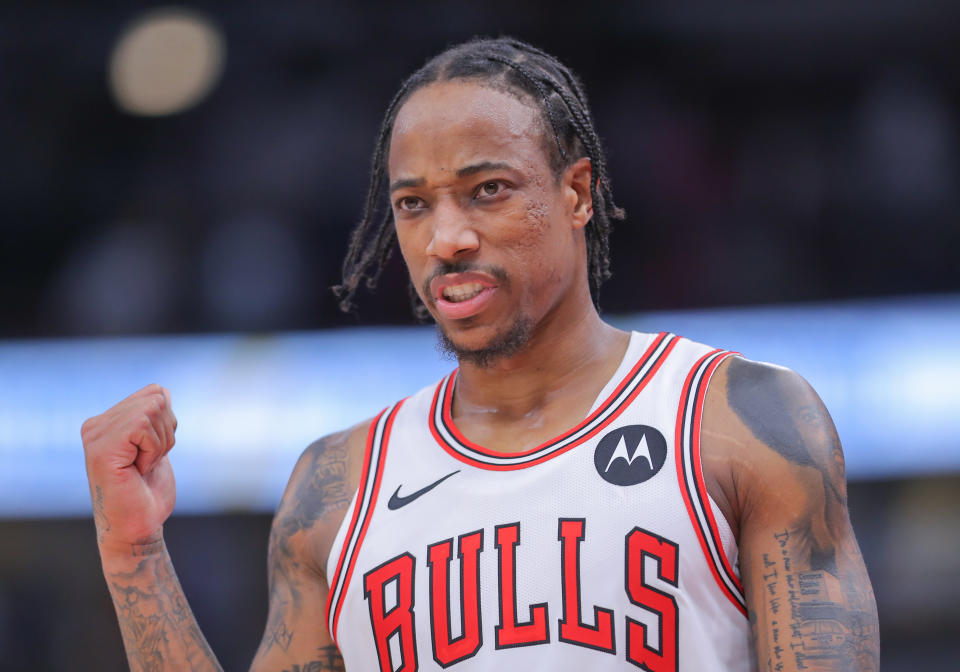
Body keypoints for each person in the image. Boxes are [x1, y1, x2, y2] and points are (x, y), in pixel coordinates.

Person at [81, 37, 879, 672]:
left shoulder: (738, 419)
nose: (447, 238)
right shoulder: (334, 487)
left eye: (487, 189)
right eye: (414, 205)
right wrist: (135, 554)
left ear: (576, 193)